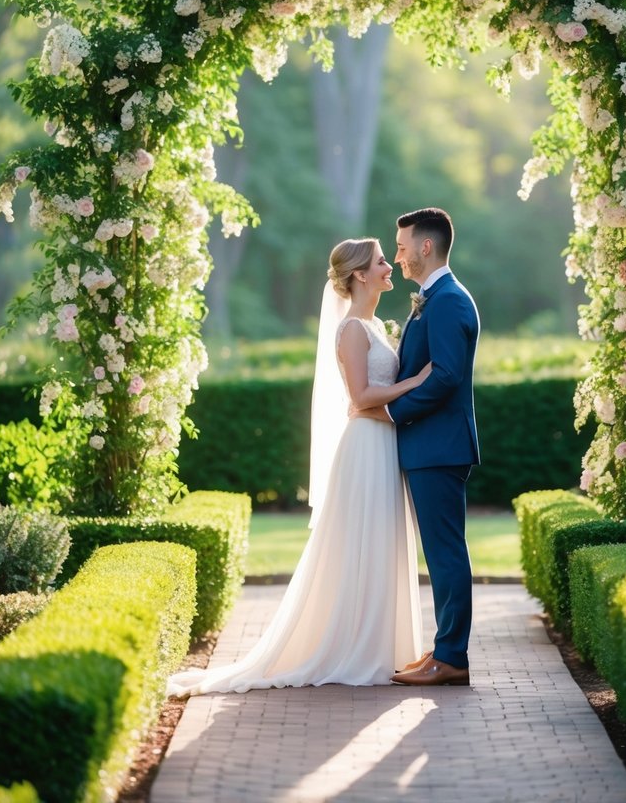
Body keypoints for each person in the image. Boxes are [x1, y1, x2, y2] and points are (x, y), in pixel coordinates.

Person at [166, 237, 429, 696]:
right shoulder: (351, 330)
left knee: (381, 541)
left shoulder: (374, 328)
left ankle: (382, 646)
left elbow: (368, 399)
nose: (391, 265)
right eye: (382, 261)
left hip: (383, 443)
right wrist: (415, 381)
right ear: (360, 275)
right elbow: (361, 399)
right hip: (365, 448)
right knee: (360, 545)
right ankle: (354, 648)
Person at [358, 207, 480, 687]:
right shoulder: (435, 297)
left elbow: (447, 376)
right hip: (431, 446)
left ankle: (451, 657)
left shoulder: (448, 300)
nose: (398, 255)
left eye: (403, 246)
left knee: (446, 553)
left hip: (439, 446)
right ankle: (444, 648)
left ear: (426, 246)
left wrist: (390, 412)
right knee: (441, 551)